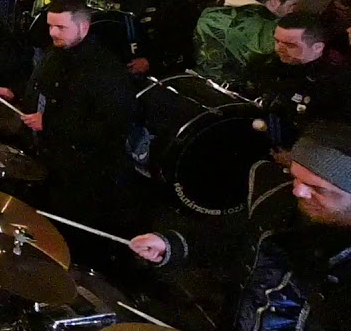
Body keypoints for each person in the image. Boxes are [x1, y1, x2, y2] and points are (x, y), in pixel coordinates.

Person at [128, 122, 351, 331]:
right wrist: (172, 244)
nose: (298, 191)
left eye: (318, 189)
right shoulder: (279, 201)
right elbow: (233, 239)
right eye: (296, 178)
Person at [0, 0, 138, 244]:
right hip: (45, 155)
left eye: (61, 27)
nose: (53, 33)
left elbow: (111, 128)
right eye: (50, 26)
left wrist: (50, 124)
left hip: (79, 172)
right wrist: (15, 91)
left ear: (83, 27)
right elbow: (40, 85)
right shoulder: (57, 52)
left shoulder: (106, 72)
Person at [253, 12, 351, 152]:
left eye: (290, 45)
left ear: (317, 47)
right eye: (277, 41)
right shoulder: (266, 65)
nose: (279, 49)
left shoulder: (336, 85)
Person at [117, 0, 195, 77]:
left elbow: (180, 39)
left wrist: (151, 61)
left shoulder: (173, 0)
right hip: (126, 59)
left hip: (159, 68)